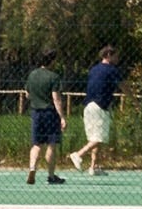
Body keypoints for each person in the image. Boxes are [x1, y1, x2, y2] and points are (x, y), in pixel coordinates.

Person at [68, 47, 120, 175]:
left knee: (94, 137)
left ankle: (93, 166)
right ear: (108, 55)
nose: (118, 58)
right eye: (115, 56)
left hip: (88, 106)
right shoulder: (112, 70)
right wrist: (134, 99)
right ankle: (78, 154)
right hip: (99, 106)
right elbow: (123, 85)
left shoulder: (93, 69)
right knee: (99, 138)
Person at [22, 54, 67, 185]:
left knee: (36, 144)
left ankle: (32, 168)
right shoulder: (54, 77)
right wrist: (62, 117)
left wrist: (37, 99)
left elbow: (27, 94)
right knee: (51, 144)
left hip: (36, 112)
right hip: (50, 113)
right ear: (51, 61)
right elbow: (56, 98)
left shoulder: (32, 75)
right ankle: (51, 176)